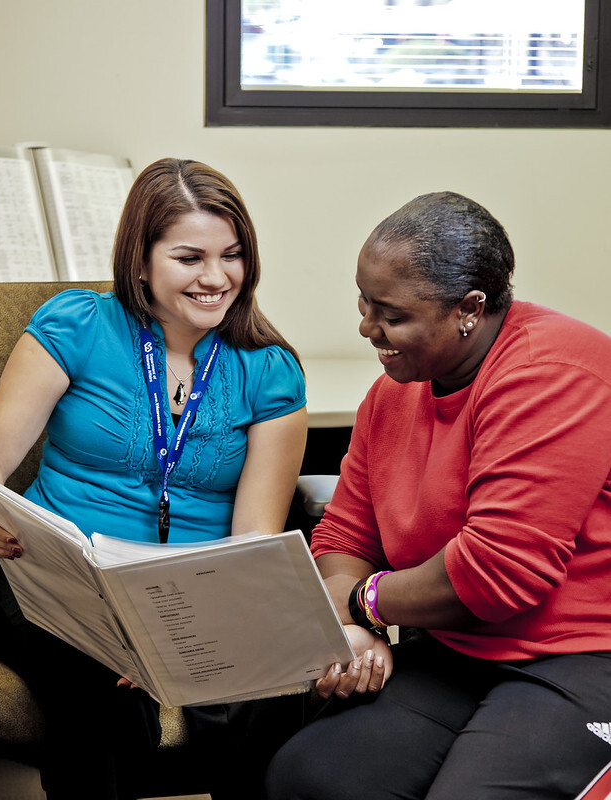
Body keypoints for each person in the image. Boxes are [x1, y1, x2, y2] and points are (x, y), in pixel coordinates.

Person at [266, 191, 611, 800]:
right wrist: (354, 625)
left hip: (583, 657)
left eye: (391, 314)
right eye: (364, 303)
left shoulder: (554, 372)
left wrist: (366, 602)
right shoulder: (393, 391)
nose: (368, 328)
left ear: (469, 308)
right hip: (458, 650)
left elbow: (496, 574)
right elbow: (346, 536)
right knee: (309, 779)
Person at [0, 158, 308, 799]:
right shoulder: (74, 326)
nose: (216, 278)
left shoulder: (271, 372)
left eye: (233, 255)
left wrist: (166, 638)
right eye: (190, 257)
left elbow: (252, 541)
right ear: (141, 260)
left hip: (190, 593)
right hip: (57, 578)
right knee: (97, 697)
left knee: (259, 700)